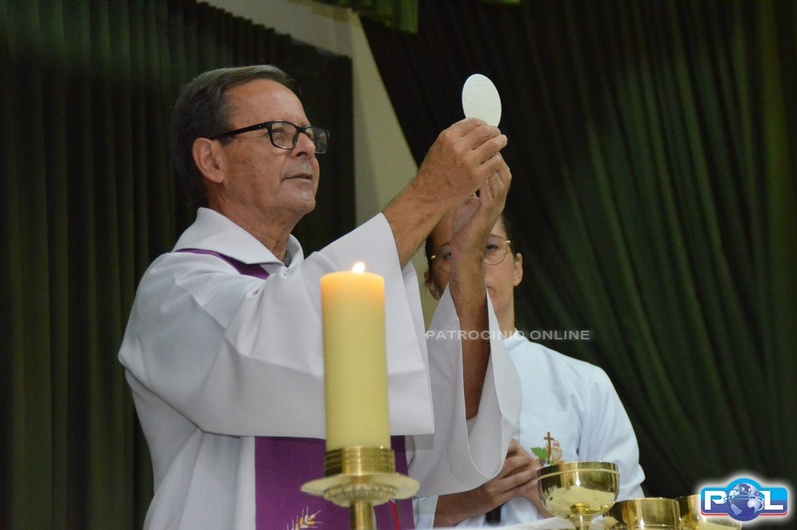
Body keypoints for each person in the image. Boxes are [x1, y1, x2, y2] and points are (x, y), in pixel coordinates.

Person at [118, 64, 522, 530]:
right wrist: (428, 196)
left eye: (309, 135)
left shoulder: (329, 291)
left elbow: (452, 415)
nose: (307, 147)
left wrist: (468, 255)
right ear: (211, 160)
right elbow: (269, 349)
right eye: (279, 133)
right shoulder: (175, 288)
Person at [415, 213, 646, 527]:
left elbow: (627, 515)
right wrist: (464, 502)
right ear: (431, 283)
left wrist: (548, 493)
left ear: (517, 268)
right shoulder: (405, 390)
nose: (473, 265)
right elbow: (370, 509)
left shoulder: (585, 384)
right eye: (451, 254)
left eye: (490, 247)